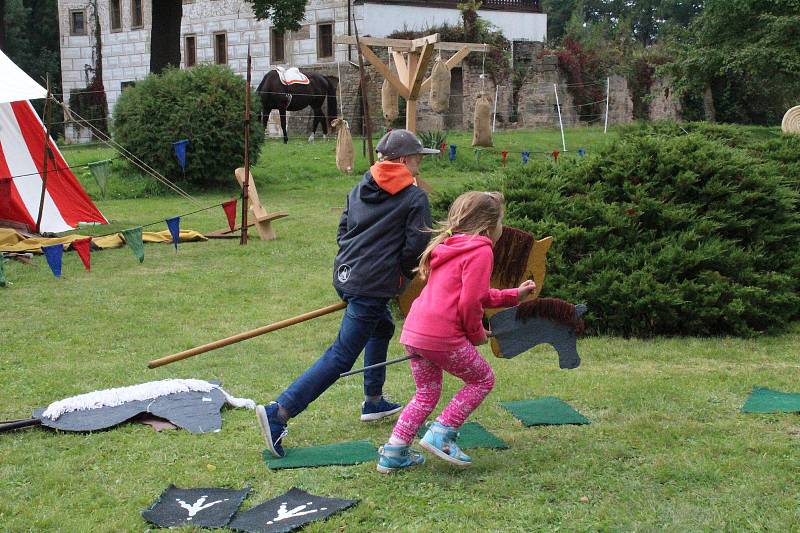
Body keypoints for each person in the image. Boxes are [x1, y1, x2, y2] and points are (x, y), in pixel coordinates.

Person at [257, 129, 439, 457]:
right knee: (341, 355)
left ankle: (373, 400)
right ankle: (279, 412)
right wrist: (396, 272)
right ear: (401, 160)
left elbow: (344, 230)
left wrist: (355, 264)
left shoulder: (361, 186)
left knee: (381, 326)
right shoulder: (414, 198)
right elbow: (415, 247)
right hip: (371, 285)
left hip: (346, 275)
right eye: (416, 158)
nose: (419, 163)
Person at [376, 191, 536, 473]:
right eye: (501, 221)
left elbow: (473, 293)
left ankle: (394, 452)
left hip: (415, 331)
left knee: (426, 392)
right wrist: (476, 335)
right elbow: (470, 302)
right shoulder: (482, 249)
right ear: (488, 226)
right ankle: (442, 432)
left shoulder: (451, 245)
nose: (502, 228)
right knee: (482, 380)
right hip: (442, 335)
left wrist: (513, 295)